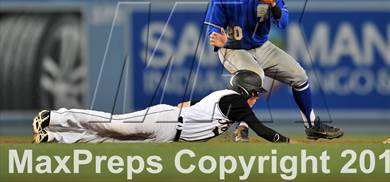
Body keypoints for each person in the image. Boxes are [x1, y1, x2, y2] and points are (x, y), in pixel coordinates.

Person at [204, 0, 343, 141]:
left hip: (262, 46)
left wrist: (273, 5)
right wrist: (219, 41)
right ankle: (240, 127)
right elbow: (212, 30)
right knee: (255, 76)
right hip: (233, 49)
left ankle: (311, 126)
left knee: (299, 76)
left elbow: (283, 23)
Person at [32, 70, 290, 144]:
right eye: (255, 92)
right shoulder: (235, 101)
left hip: (169, 134)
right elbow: (260, 129)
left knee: (108, 141)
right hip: (165, 120)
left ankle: (52, 138)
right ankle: (54, 117)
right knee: (112, 125)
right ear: (245, 89)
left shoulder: (227, 99)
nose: (256, 97)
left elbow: (193, 105)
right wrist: (285, 142)